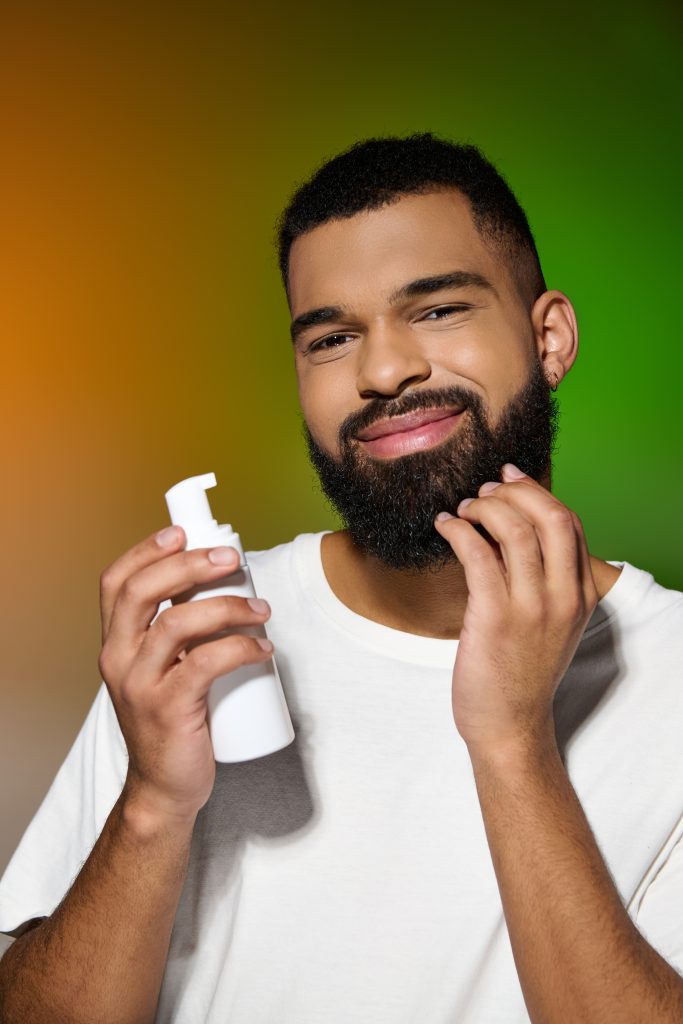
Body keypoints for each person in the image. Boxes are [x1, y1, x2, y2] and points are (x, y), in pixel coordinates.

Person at [0, 131, 681, 1023]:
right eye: (330, 337)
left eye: (437, 310)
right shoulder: (208, 632)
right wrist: (155, 804)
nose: (383, 371)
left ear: (548, 337)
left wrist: (513, 744)